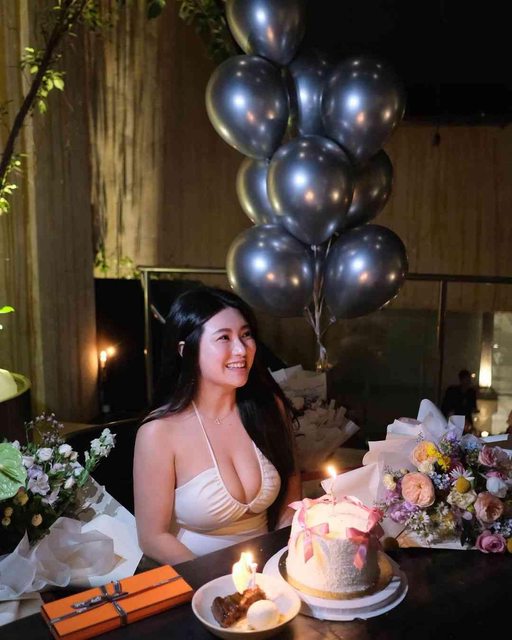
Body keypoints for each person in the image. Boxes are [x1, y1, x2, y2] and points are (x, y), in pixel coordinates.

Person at [133, 286, 301, 565]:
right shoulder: (159, 433)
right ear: (185, 350)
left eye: (246, 335)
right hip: (195, 575)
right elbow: (152, 537)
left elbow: (291, 499)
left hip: (266, 568)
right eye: (224, 337)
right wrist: (213, 581)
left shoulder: (268, 408)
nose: (241, 349)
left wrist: (282, 560)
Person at [441, 369, 478, 433]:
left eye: (468, 380)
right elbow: (447, 407)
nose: (467, 382)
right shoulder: (453, 392)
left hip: (466, 422)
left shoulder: (471, 393)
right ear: (461, 380)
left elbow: (473, 407)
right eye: (465, 379)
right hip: (455, 421)